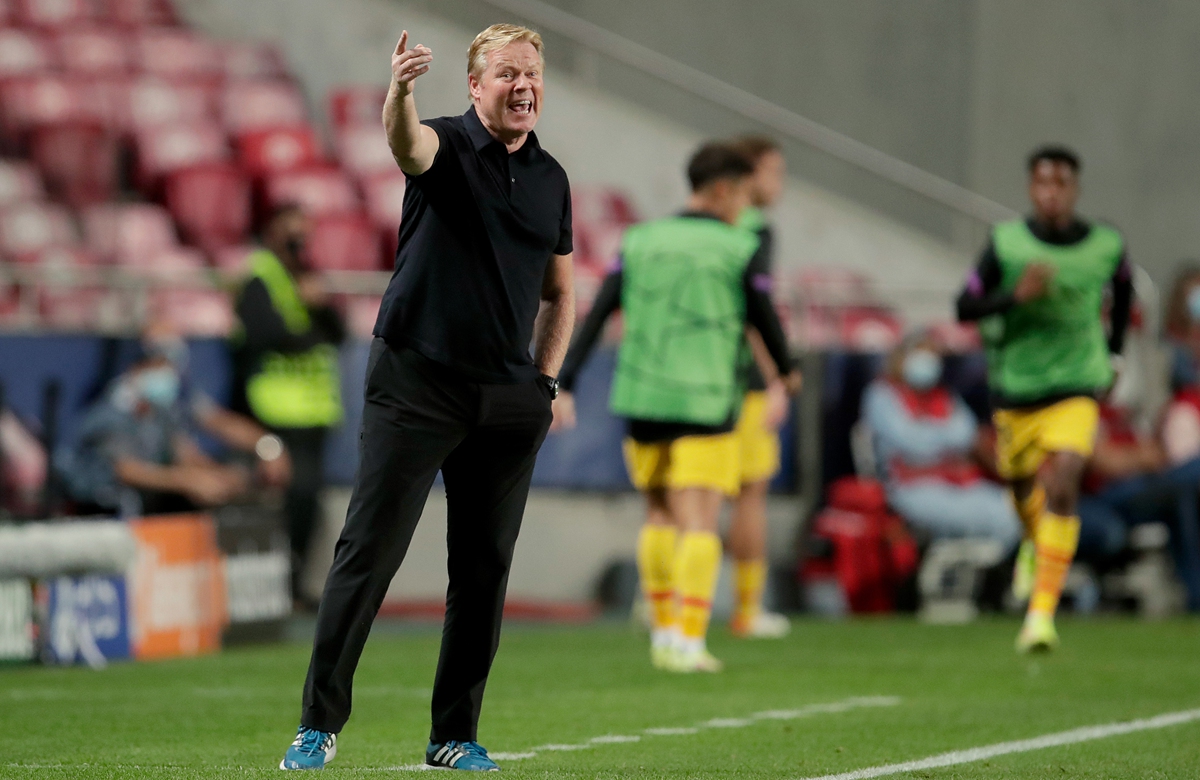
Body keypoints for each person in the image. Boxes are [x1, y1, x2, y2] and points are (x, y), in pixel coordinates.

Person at [280, 24, 574, 772]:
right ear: (475, 87)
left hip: (508, 395)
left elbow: (560, 292)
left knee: (482, 572)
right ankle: (319, 725)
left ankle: (453, 736)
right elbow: (406, 147)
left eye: (532, 73)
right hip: (418, 380)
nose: (523, 85)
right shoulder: (443, 144)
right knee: (368, 552)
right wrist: (401, 90)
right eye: (506, 73)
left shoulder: (552, 179)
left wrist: (544, 383)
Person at [554, 142, 800, 674]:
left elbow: (598, 312)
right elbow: (764, 315)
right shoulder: (738, 245)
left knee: (659, 516)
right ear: (720, 190)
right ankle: (688, 640)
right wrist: (787, 370)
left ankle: (664, 631)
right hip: (704, 400)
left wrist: (566, 379)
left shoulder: (639, 239)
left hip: (642, 400)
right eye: (739, 194)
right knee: (700, 521)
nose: (743, 206)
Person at [956, 145, 1132, 653]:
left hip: (1077, 386)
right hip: (1018, 388)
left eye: (1061, 185)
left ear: (1075, 190)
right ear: (1031, 189)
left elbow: (1123, 295)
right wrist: (1015, 297)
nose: (1051, 194)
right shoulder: (1006, 244)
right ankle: (1035, 545)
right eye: (1042, 184)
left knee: (1066, 477)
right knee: (1019, 483)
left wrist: (1114, 356)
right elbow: (964, 305)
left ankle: (1040, 615)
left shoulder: (1105, 244)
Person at [232, 203, 345, 607]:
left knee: (308, 501)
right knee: (286, 499)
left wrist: (320, 306)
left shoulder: (308, 276)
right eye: (290, 233)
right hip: (276, 409)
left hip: (314, 411)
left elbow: (340, 331)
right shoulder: (259, 276)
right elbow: (266, 334)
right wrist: (311, 331)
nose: (299, 242)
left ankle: (294, 585)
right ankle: (273, 587)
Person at [861, 333, 1021, 551]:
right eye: (922, 355)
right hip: (910, 488)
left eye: (933, 357)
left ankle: (989, 574)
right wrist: (945, 436)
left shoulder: (943, 395)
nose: (929, 363)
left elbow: (966, 434)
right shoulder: (882, 394)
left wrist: (933, 434)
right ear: (904, 358)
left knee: (1018, 509)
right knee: (1001, 520)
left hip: (957, 483)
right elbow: (912, 444)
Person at [724, 135, 793, 638]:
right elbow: (755, 311)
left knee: (683, 497)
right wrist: (774, 380)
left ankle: (661, 604)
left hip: (694, 379)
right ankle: (748, 611)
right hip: (741, 382)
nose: (779, 184)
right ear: (750, 175)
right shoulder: (755, 231)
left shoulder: (700, 226)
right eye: (775, 173)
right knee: (750, 495)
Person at [64, 343, 249, 516]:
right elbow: (126, 470)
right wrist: (185, 481)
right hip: (101, 513)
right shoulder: (110, 413)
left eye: (170, 368)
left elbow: (185, 454)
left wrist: (221, 477)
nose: (168, 376)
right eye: (159, 366)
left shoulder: (163, 412)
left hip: (147, 514)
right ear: (136, 369)